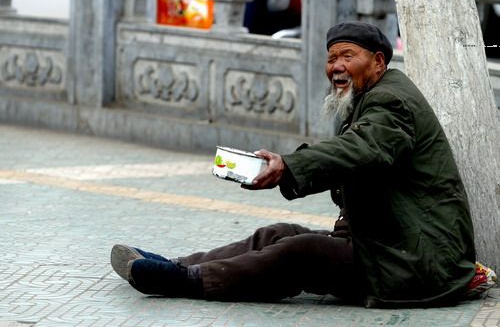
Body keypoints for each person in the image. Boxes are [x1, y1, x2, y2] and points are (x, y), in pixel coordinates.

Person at [111, 21, 486, 308]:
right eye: (331, 59)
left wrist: (288, 166)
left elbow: (360, 149)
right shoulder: (368, 96)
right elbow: (353, 157)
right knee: (277, 233)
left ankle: (188, 282)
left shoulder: (391, 102)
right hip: (386, 244)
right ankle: (176, 266)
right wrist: (291, 168)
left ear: (378, 61)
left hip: (414, 265)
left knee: (302, 252)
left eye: (347, 57)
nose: (337, 67)